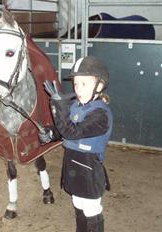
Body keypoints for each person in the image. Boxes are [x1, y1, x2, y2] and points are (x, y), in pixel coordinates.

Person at [38, 56, 113, 232]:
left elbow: (72, 132)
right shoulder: (75, 106)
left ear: (99, 86)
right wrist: (50, 133)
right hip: (72, 164)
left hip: (89, 169)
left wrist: (58, 107)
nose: (78, 89)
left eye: (84, 84)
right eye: (76, 84)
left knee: (91, 210)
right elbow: (64, 130)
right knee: (78, 204)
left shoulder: (100, 115)